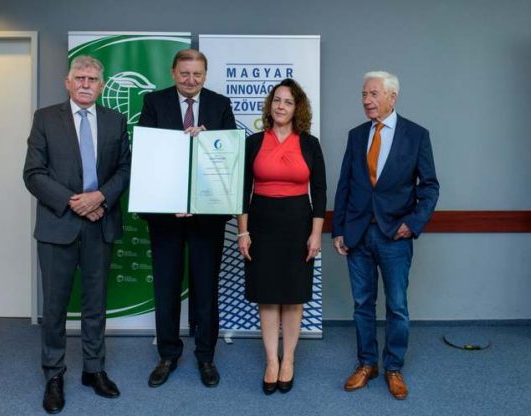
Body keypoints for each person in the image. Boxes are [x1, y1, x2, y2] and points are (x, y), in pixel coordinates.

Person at [23, 55, 131, 414]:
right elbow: (33, 173)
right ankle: (54, 373)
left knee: (95, 303)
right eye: (80, 78)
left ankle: (93, 369)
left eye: (92, 79)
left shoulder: (115, 120)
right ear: (68, 83)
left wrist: (100, 197)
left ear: (102, 86)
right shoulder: (45, 118)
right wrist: (77, 202)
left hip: (101, 221)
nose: (86, 84)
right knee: (54, 306)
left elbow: (125, 168)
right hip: (58, 224)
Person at [332, 71, 439, 400]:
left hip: (395, 236)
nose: (366, 100)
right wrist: (338, 229)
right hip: (358, 235)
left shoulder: (416, 135)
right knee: (362, 304)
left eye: (373, 94)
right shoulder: (356, 136)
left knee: (397, 306)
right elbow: (345, 185)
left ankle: (393, 367)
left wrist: (413, 223)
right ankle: (367, 364)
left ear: (393, 97)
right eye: (364, 94)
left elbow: (430, 187)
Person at [138, 49, 236, 388]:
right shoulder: (154, 102)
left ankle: (206, 356)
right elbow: (148, 154)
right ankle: (168, 354)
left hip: (206, 215)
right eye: (184, 73)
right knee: (166, 286)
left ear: (205, 75)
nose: (190, 80)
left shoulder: (220, 105)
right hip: (166, 214)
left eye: (197, 74)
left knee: (206, 288)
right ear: (173, 72)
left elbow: (229, 157)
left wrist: (209, 141)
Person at [237, 78, 327, 395]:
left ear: (297, 107)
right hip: (261, 223)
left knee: (292, 295)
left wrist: (316, 234)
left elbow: (320, 192)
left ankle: (288, 359)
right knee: (267, 294)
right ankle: (271, 361)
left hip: (298, 224)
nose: (281, 106)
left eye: (288, 101)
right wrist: (243, 231)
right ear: (270, 104)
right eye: (277, 100)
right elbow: (241, 191)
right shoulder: (253, 142)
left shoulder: (310, 144)